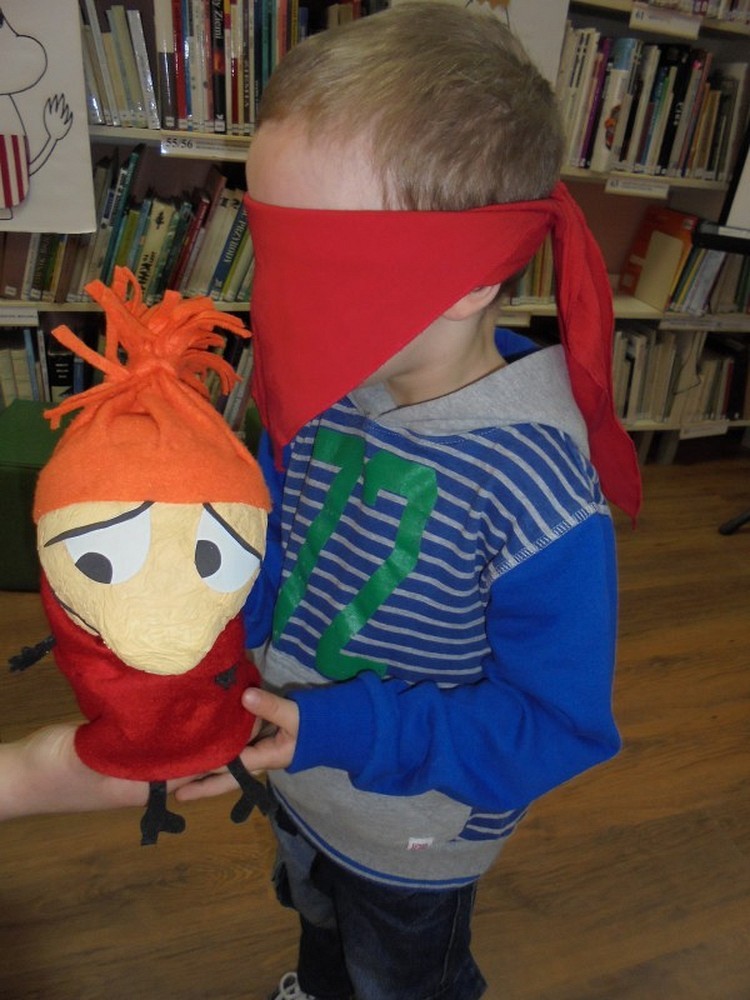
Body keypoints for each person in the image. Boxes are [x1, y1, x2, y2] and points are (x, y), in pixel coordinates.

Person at [2, 4, 641, 998]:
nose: (279, 298)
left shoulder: (537, 492)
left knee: (399, 971)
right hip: (293, 766)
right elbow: (271, 554)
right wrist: (204, 662)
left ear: (468, 277)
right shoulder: (330, 389)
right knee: (316, 915)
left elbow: (557, 728)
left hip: (414, 830)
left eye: (321, 262)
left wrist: (342, 731)